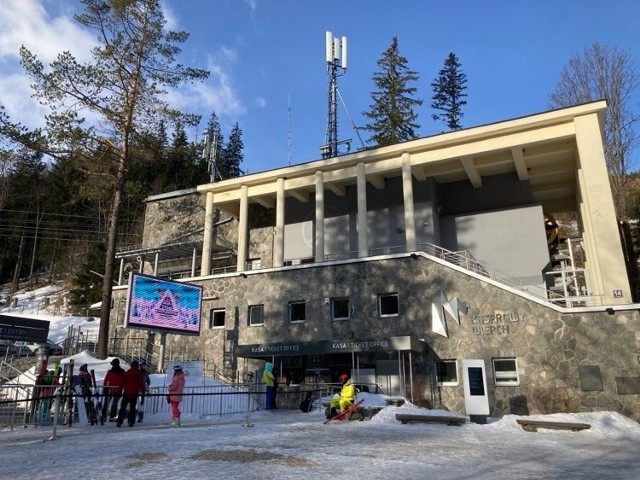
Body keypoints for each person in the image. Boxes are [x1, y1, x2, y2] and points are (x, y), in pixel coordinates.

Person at [116, 360, 146, 427]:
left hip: (126, 393)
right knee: (132, 408)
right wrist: (143, 393)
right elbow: (142, 385)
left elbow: (121, 383)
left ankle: (119, 421)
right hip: (134, 393)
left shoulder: (127, 373)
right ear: (137, 366)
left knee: (123, 408)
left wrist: (120, 391)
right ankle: (131, 421)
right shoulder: (139, 374)